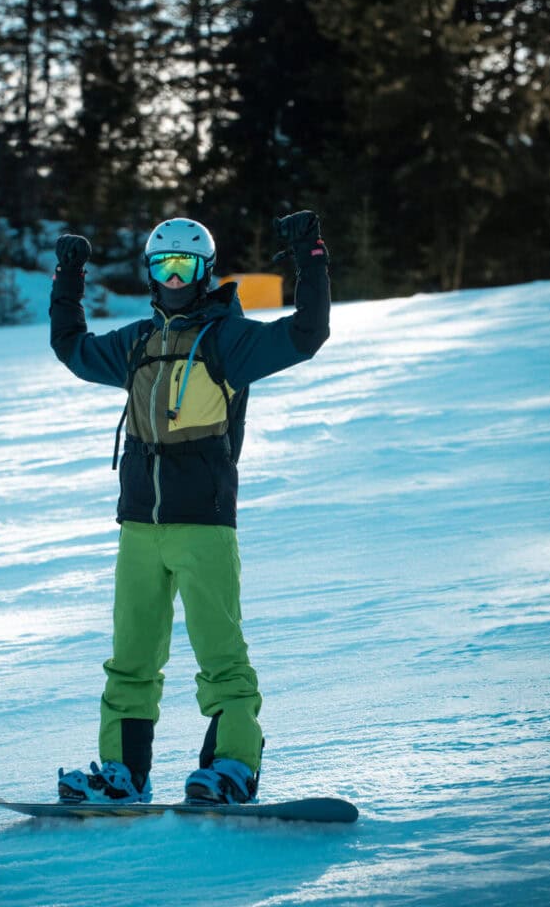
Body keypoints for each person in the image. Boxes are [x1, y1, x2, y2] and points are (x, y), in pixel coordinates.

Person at [49, 212, 330, 804]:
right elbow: (71, 348)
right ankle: (124, 772)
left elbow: (307, 335)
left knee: (221, 658)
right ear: (150, 274)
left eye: (185, 267)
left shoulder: (230, 340)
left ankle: (231, 768)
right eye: (162, 267)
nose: (174, 279)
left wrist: (311, 257)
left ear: (204, 272)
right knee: (130, 661)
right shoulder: (137, 342)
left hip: (204, 524)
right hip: (139, 528)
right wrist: (68, 276)